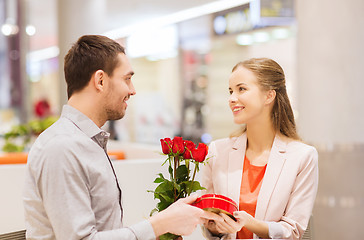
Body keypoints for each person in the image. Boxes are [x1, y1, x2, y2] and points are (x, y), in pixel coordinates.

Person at [23, 35, 220, 240]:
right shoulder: (62, 147)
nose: (132, 90)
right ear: (100, 80)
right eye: (127, 78)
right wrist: (159, 224)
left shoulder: (86, 141)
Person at [201, 58, 318, 239]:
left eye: (242, 89)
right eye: (231, 91)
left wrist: (249, 223)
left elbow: (293, 231)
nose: (232, 98)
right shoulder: (218, 151)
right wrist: (215, 227)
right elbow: (208, 223)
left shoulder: (303, 156)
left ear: (269, 96)